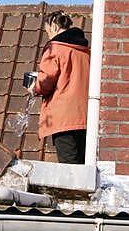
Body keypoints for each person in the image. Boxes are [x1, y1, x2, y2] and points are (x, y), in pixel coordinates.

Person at [28, 10, 90, 164]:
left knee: (69, 167)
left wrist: (34, 87)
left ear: (54, 26)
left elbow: (45, 82)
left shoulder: (55, 49)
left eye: (47, 30)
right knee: (83, 165)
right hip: (85, 115)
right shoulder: (86, 51)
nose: (48, 35)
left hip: (63, 117)